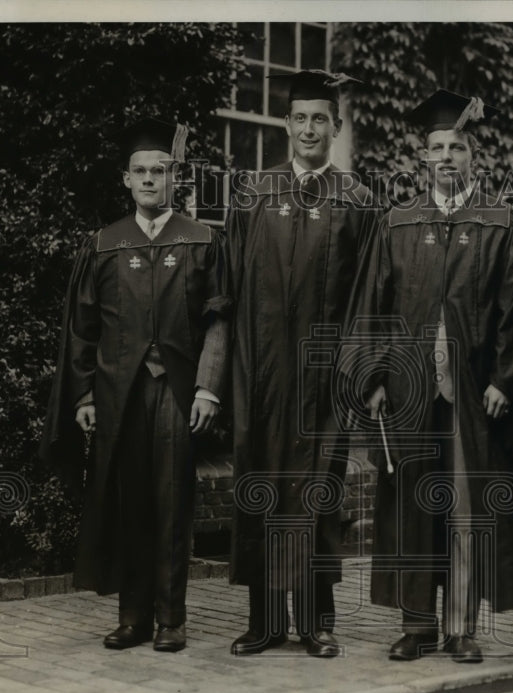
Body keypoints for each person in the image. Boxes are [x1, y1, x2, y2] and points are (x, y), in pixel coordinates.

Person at [349, 89, 513, 664]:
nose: (446, 157)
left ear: (474, 156)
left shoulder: (500, 223)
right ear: (423, 157)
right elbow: (372, 308)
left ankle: (460, 626)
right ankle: (417, 624)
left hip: (472, 395)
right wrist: (373, 377)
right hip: (409, 392)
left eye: (456, 147)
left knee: (466, 509)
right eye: (436, 147)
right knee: (411, 505)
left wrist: (504, 376)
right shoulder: (398, 223)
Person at [42, 117, 227, 652]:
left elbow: (219, 321)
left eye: (160, 171)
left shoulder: (202, 240)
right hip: (117, 393)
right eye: (140, 172)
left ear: (176, 178)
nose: (150, 180)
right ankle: (133, 617)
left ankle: (171, 618)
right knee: (129, 503)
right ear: (126, 179)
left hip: (176, 388)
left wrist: (208, 388)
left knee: (172, 502)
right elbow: (82, 328)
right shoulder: (104, 245)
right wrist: (80, 395)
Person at [220, 69, 377, 658]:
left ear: (335, 128)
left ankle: (316, 622)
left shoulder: (357, 201)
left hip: (325, 377)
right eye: (301, 118)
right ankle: (264, 622)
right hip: (261, 374)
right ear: (287, 125)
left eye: (321, 119)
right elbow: (229, 286)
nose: (310, 128)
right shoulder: (254, 194)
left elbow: (367, 294)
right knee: (261, 485)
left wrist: (356, 369)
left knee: (319, 495)